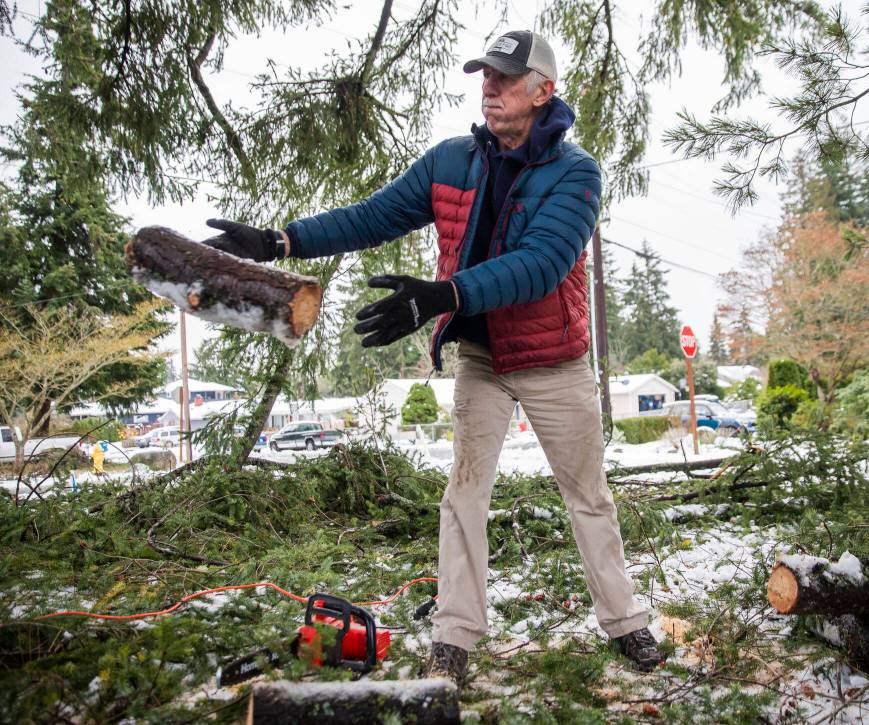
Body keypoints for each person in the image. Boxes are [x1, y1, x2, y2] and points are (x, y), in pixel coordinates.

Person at [204, 29, 662, 687]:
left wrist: (442, 294)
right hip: (481, 355)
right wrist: (281, 241)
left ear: (543, 91)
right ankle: (454, 635)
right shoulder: (454, 160)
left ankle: (625, 620)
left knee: (587, 492)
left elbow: (539, 266)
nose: (490, 87)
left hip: (554, 360)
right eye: (486, 75)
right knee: (464, 492)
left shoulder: (577, 173)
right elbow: (373, 216)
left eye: (505, 78)